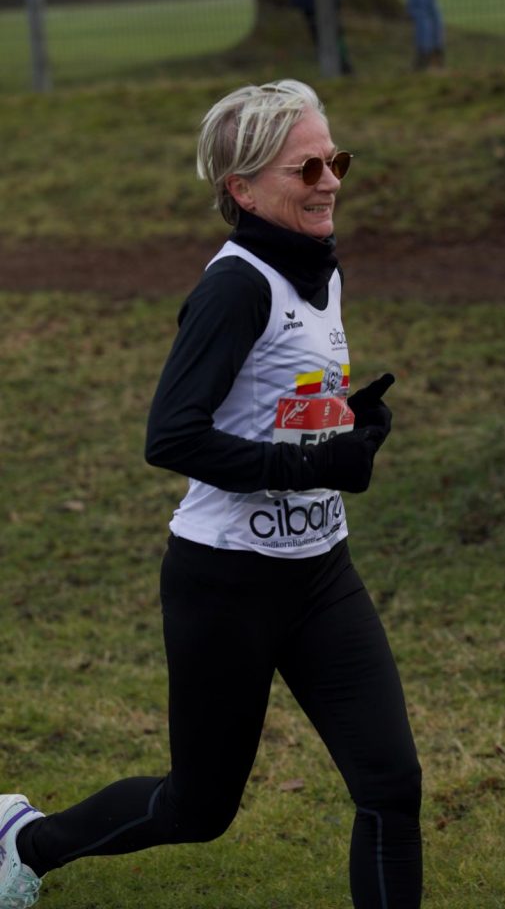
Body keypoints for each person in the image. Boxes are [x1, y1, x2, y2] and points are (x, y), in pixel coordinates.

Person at [0, 80, 422, 909]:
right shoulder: (236, 287)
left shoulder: (320, 270)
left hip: (320, 573)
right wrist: (313, 468)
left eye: (333, 160)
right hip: (226, 582)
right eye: (305, 169)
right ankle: (24, 842)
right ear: (243, 188)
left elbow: (276, 405)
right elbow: (174, 436)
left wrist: (348, 429)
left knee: (390, 785)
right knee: (198, 808)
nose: (329, 181)